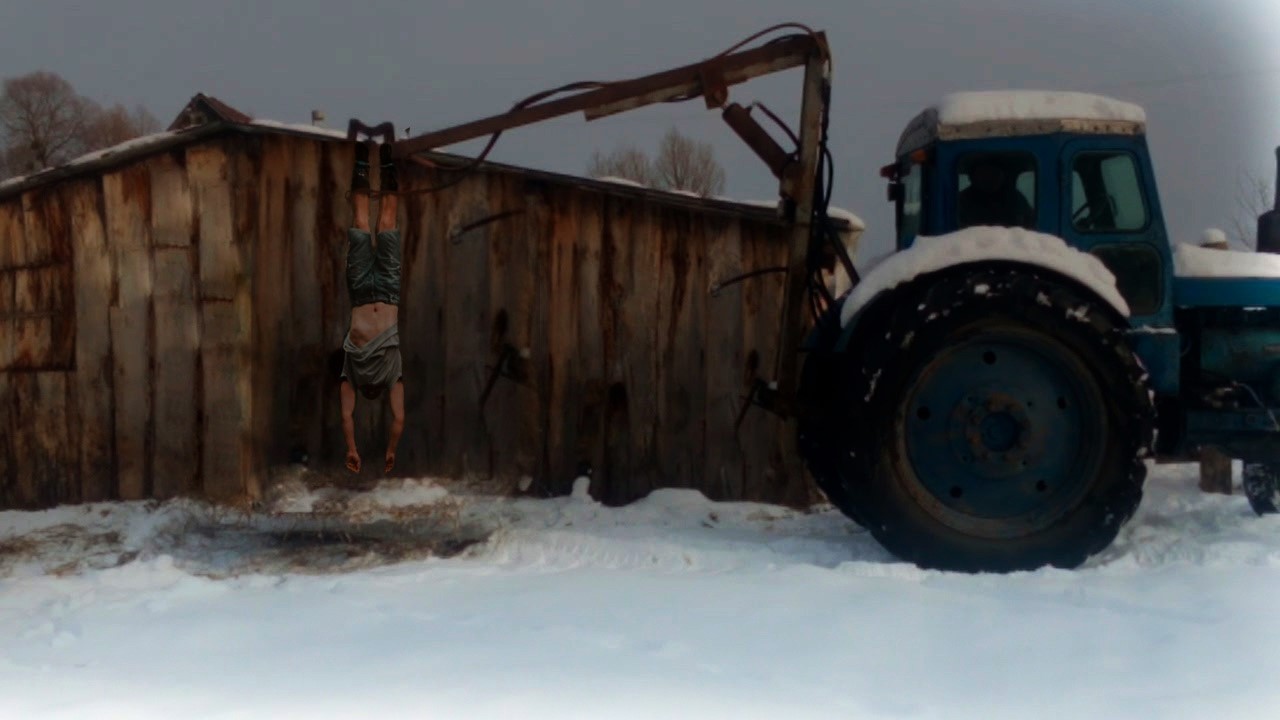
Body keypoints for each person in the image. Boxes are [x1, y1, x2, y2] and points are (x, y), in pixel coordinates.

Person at [341, 142, 405, 474]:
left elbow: (346, 416)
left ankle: (364, 158)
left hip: (361, 292)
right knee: (387, 222)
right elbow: (399, 418)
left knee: (363, 222)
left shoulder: (352, 373)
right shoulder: (392, 373)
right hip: (388, 293)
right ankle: (389, 162)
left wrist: (353, 449)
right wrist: (390, 451)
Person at [957, 157, 1036, 230]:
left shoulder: (1015, 198)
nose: (989, 178)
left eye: (994, 173)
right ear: (972, 177)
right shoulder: (961, 201)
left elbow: (1030, 222)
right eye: (984, 173)